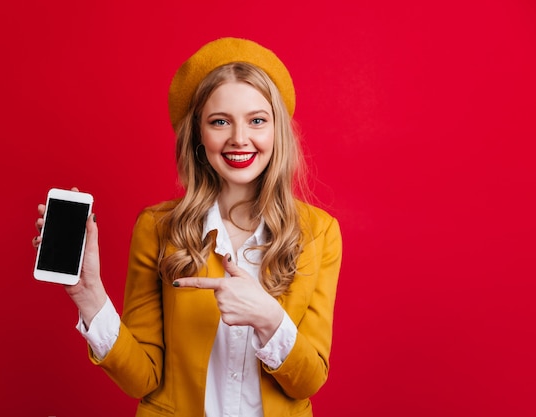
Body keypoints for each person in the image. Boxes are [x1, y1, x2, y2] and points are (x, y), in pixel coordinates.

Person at [33, 37, 342, 417]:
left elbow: (308, 381)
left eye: (257, 120)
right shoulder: (158, 228)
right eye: (220, 122)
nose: (239, 139)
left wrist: (267, 315)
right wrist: (90, 295)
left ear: (277, 131)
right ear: (198, 134)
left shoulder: (319, 232)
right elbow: (142, 379)